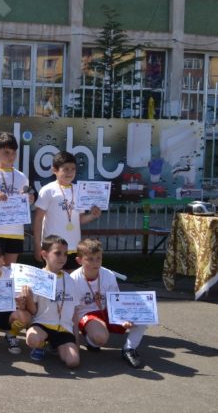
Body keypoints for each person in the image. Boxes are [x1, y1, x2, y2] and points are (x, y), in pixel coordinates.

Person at [71, 238, 147, 368]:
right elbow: (74, 312)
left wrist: (123, 318)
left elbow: (116, 301)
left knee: (142, 316)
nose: (96, 263)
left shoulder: (109, 275)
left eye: (98, 258)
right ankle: (92, 341)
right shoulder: (74, 279)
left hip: (108, 310)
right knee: (101, 337)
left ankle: (129, 349)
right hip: (87, 314)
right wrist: (75, 343)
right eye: (90, 259)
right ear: (79, 261)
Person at [33, 151, 102, 269]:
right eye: (65, 169)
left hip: (74, 247)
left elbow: (79, 219)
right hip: (53, 248)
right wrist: (38, 245)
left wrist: (92, 215)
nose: (70, 173)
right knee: (53, 282)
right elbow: (38, 219)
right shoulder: (48, 190)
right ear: (54, 170)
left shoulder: (79, 190)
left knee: (70, 282)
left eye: (73, 169)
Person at [0, 132, 34, 266]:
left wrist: (29, 200)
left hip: (15, 231)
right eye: (6, 153)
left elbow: (25, 201)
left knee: (9, 272)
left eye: (14, 152)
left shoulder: (22, 177)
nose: (11, 156)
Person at [24, 235, 80, 368]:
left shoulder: (70, 280)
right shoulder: (38, 278)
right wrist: (29, 299)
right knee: (32, 339)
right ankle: (41, 345)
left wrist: (77, 341)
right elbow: (33, 311)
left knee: (73, 362)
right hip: (43, 325)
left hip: (64, 329)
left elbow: (75, 312)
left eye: (65, 254)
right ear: (44, 254)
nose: (62, 257)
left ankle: (55, 345)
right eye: (57, 253)